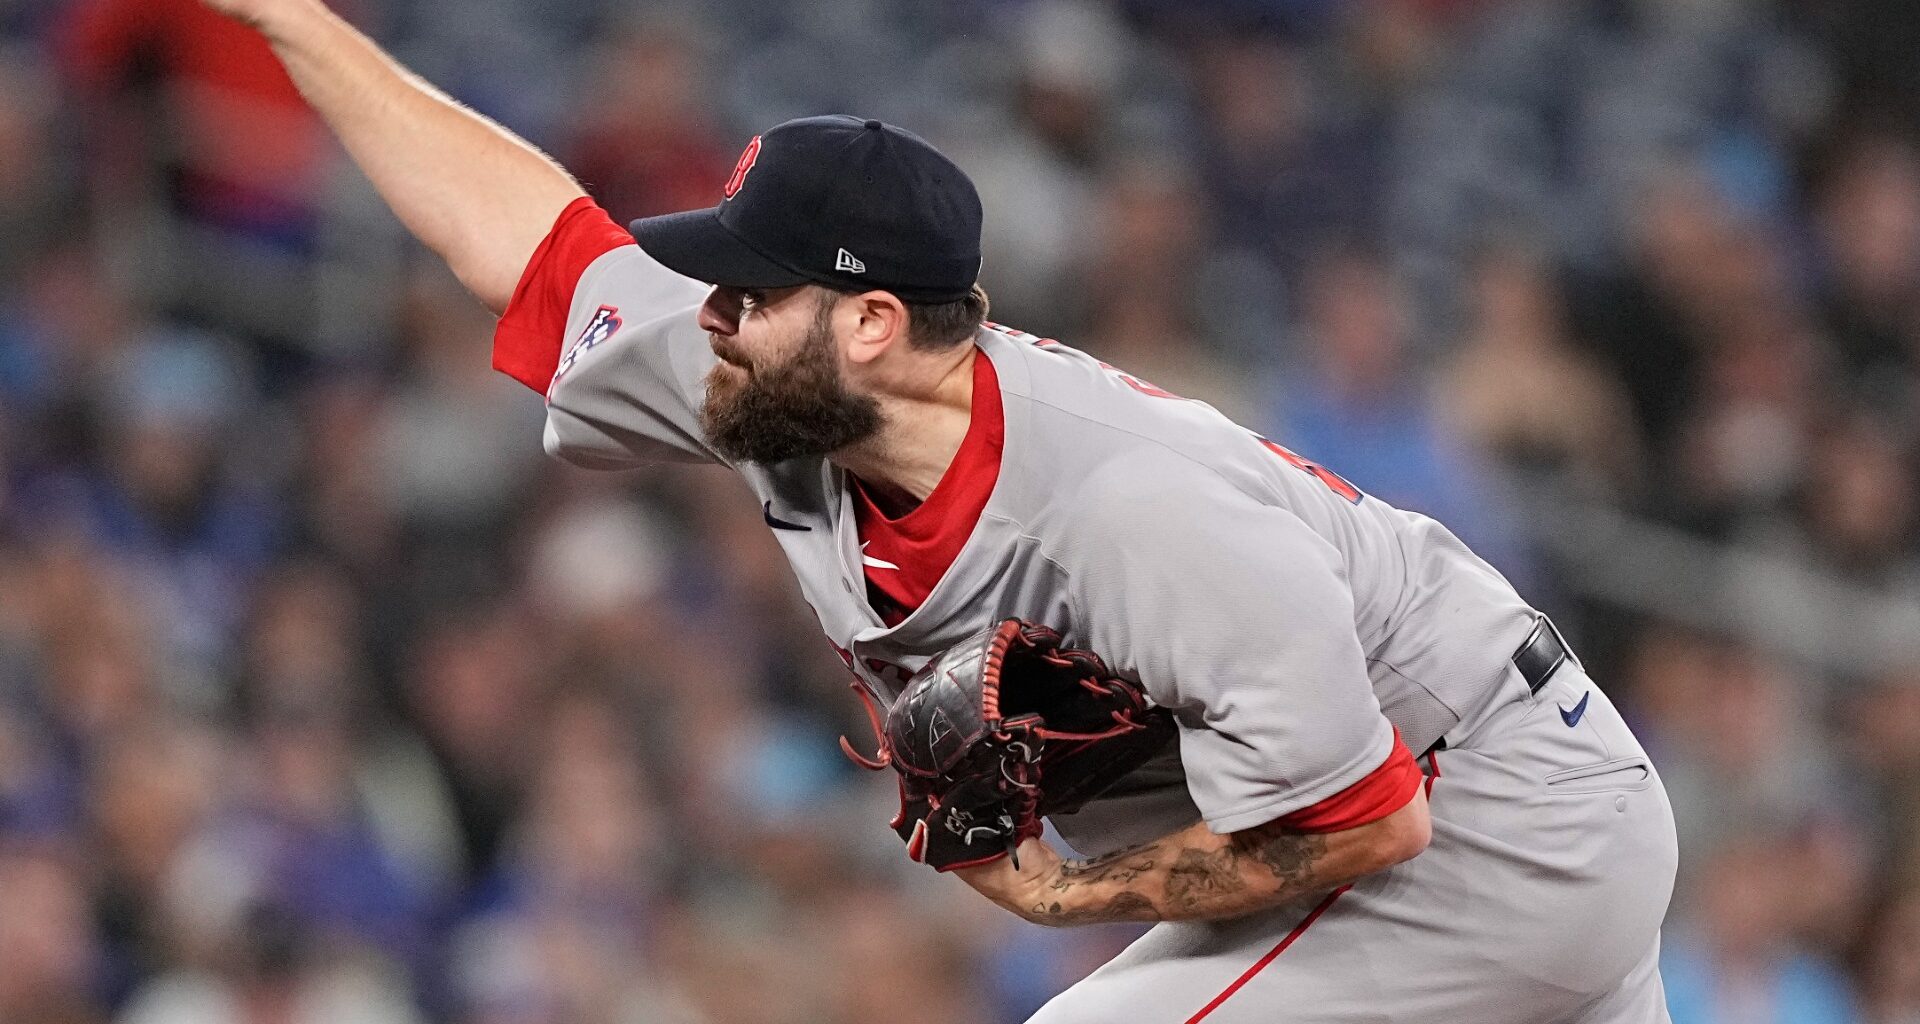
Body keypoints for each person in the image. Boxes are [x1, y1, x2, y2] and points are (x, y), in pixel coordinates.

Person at [199, 0, 1681, 1019]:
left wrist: (1062, 895)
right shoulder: (784, 394)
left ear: (868, 324)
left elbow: (1364, 829)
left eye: (747, 291)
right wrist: (294, 24)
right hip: (1427, 801)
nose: (706, 316)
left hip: (1492, 820)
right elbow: (533, 249)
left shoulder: (1126, 509)